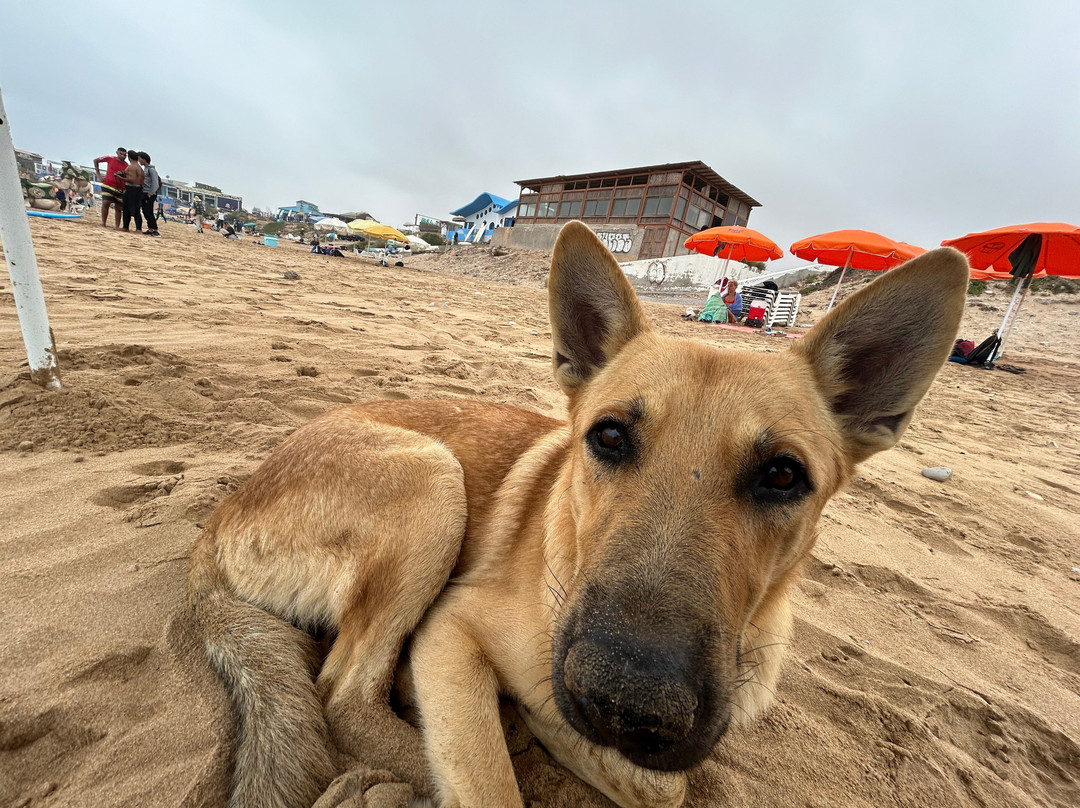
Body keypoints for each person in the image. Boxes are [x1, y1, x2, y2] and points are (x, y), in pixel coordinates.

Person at [93, 146, 128, 228]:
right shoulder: (110, 158)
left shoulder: (127, 165)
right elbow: (96, 160)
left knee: (118, 208)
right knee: (106, 203)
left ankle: (117, 226)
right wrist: (98, 174)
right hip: (108, 185)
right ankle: (103, 223)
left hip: (120, 188)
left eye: (124, 155)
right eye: (121, 154)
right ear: (117, 153)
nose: (123, 156)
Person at [119, 149, 145, 232]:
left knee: (127, 209)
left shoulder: (132, 167)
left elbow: (132, 180)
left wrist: (121, 178)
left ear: (129, 157)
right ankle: (137, 228)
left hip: (132, 188)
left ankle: (127, 227)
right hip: (138, 189)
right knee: (136, 209)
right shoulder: (138, 167)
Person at [137, 152, 161, 237]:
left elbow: (155, 183)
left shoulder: (151, 170)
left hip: (149, 194)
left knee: (149, 212)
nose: (139, 160)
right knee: (145, 211)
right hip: (145, 192)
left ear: (144, 159)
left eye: (139, 158)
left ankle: (155, 230)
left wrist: (150, 193)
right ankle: (150, 228)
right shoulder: (146, 169)